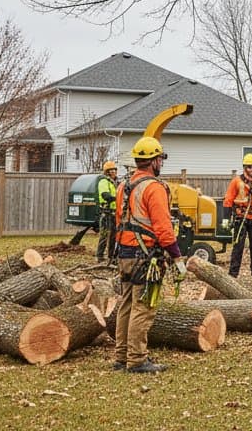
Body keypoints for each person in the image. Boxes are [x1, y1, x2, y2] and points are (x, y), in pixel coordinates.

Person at [112, 136, 185, 374]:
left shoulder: (124, 186)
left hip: (124, 253)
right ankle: (137, 359)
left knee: (126, 305)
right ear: (153, 161)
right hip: (145, 256)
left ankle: (122, 356)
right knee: (143, 307)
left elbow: (119, 222)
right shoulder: (153, 187)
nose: (161, 163)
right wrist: (176, 257)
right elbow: (163, 228)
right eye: (160, 159)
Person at [222, 153, 252, 278]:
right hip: (240, 219)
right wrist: (226, 218)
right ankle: (232, 276)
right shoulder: (236, 182)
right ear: (244, 167)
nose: (251, 169)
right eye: (249, 167)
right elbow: (228, 200)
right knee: (238, 248)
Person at [95, 160, 119, 264]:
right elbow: (106, 196)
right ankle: (100, 256)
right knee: (104, 235)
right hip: (106, 212)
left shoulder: (114, 183)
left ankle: (111, 256)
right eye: (112, 170)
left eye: (115, 170)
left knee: (113, 236)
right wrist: (117, 198)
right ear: (107, 172)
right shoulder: (103, 182)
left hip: (114, 213)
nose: (114, 172)